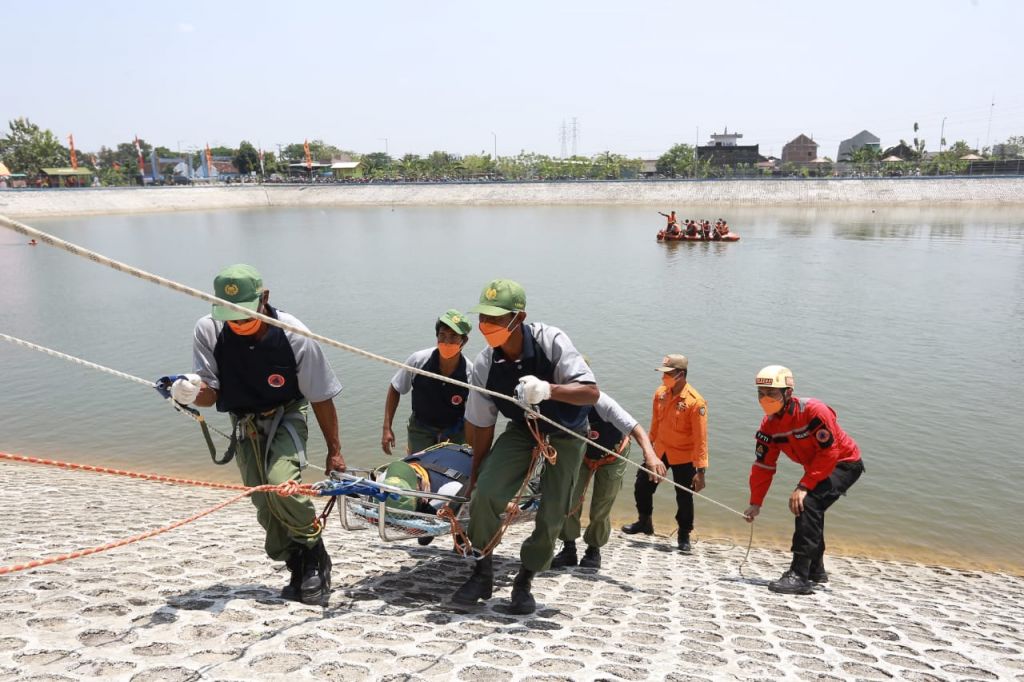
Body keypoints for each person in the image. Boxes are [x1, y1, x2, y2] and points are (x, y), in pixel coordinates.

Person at [167, 264, 344, 605]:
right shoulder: (209, 330)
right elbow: (211, 391)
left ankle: (314, 556)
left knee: (282, 485)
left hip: (287, 414)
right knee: (263, 502)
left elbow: (321, 395)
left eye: (245, 314)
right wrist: (189, 392)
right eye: (231, 316)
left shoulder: (293, 334)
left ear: (264, 298)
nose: (239, 323)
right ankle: (295, 561)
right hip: (244, 422)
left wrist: (335, 450)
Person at [452, 279, 599, 614]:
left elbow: (591, 392)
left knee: (553, 511)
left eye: (495, 319)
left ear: (519, 318)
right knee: (486, 494)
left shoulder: (551, 341)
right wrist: (476, 476)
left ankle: (525, 580)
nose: (486, 326)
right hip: (522, 429)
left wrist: (549, 390)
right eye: (483, 319)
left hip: (565, 431)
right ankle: (482, 570)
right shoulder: (485, 365)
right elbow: (482, 426)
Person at [744, 365, 865, 595]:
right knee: (811, 506)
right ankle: (816, 570)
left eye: (772, 394)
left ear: (788, 393)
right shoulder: (768, 425)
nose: (765, 399)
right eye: (761, 393)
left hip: (845, 462)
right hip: (819, 466)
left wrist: (804, 486)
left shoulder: (813, 411)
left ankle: (799, 575)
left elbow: (830, 452)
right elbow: (763, 466)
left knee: (807, 503)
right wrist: (755, 502)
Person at [550, 391, 666, 570]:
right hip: (580, 453)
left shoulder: (601, 402)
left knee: (601, 504)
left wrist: (650, 455)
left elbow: (634, 427)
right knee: (570, 498)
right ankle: (569, 548)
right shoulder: (557, 401)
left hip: (613, 454)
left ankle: (593, 549)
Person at [622, 355, 708, 553]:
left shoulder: (696, 402)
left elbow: (701, 439)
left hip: (684, 455)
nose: (664, 378)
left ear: (681, 374)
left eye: (668, 374)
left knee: (684, 496)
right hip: (659, 450)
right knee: (642, 484)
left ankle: (684, 534)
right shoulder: (661, 393)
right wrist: (648, 449)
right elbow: (655, 424)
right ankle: (644, 522)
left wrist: (701, 471)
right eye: (664, 374)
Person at [382, 309, 473, 456]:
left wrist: (471, 448)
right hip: (420, 429)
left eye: (453, 336)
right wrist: (387, 428)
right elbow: (395, 388)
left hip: (455, 431)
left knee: (454, 471)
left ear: (464, 341)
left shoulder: (469, 373)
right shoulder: (418, 360)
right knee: (418, 470)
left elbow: (474, 414)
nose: (447, 341)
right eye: (442, 335)